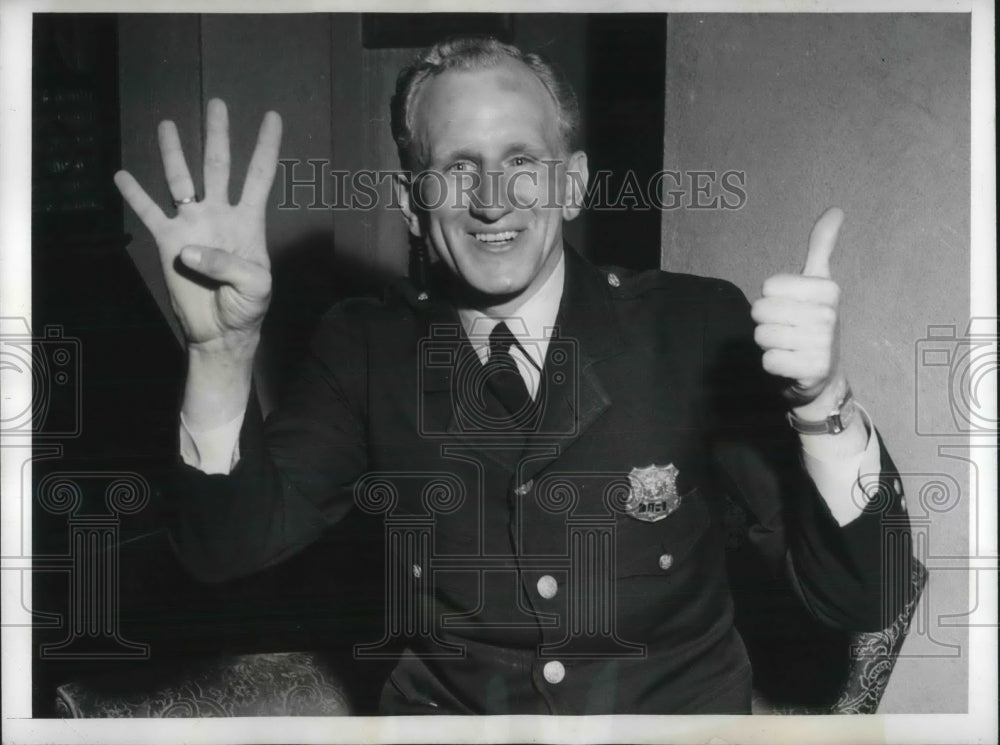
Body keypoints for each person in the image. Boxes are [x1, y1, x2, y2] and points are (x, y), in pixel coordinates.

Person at [114, 36, 912, 715]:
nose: (492, 199)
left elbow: (860, 598)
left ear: (572, 183)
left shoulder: (693, 327)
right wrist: (220, 355)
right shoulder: (364, 347)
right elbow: (225, 550)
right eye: (457, 167)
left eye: (521, 160)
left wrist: (822, 403)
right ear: (411, 201)